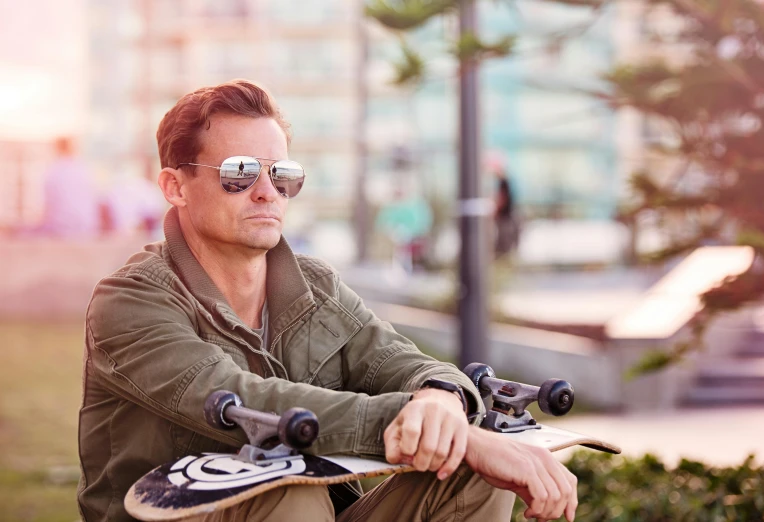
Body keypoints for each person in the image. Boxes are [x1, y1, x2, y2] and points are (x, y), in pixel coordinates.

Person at [77, 80, 577, 522]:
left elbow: (402, 362)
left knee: (473, 475)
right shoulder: (129, 301)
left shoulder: (316, 285)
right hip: (184, 513)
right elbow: (246, 401)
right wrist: (454, 435)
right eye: (240, 172)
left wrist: (442, 402)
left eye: (283, 174)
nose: (266, 191)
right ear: (174, 186)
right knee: (285, 491)